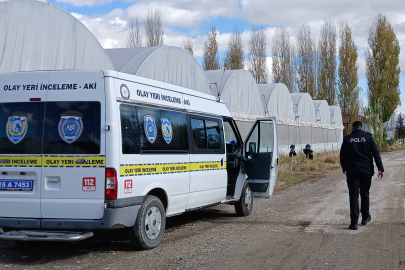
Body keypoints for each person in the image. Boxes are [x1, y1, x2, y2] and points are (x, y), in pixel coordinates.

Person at [340, 121, 384, 230]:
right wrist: (380, 168)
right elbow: (376, 153)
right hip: (366, 171)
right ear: (362, 127)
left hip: (352, 171)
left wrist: (345, 169)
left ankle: (354, 223)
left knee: (353, 195)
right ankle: (365, 217)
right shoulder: (368, 138)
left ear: (352, 128)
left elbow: (342, 156)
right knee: (365, 193)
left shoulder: (347, 139)